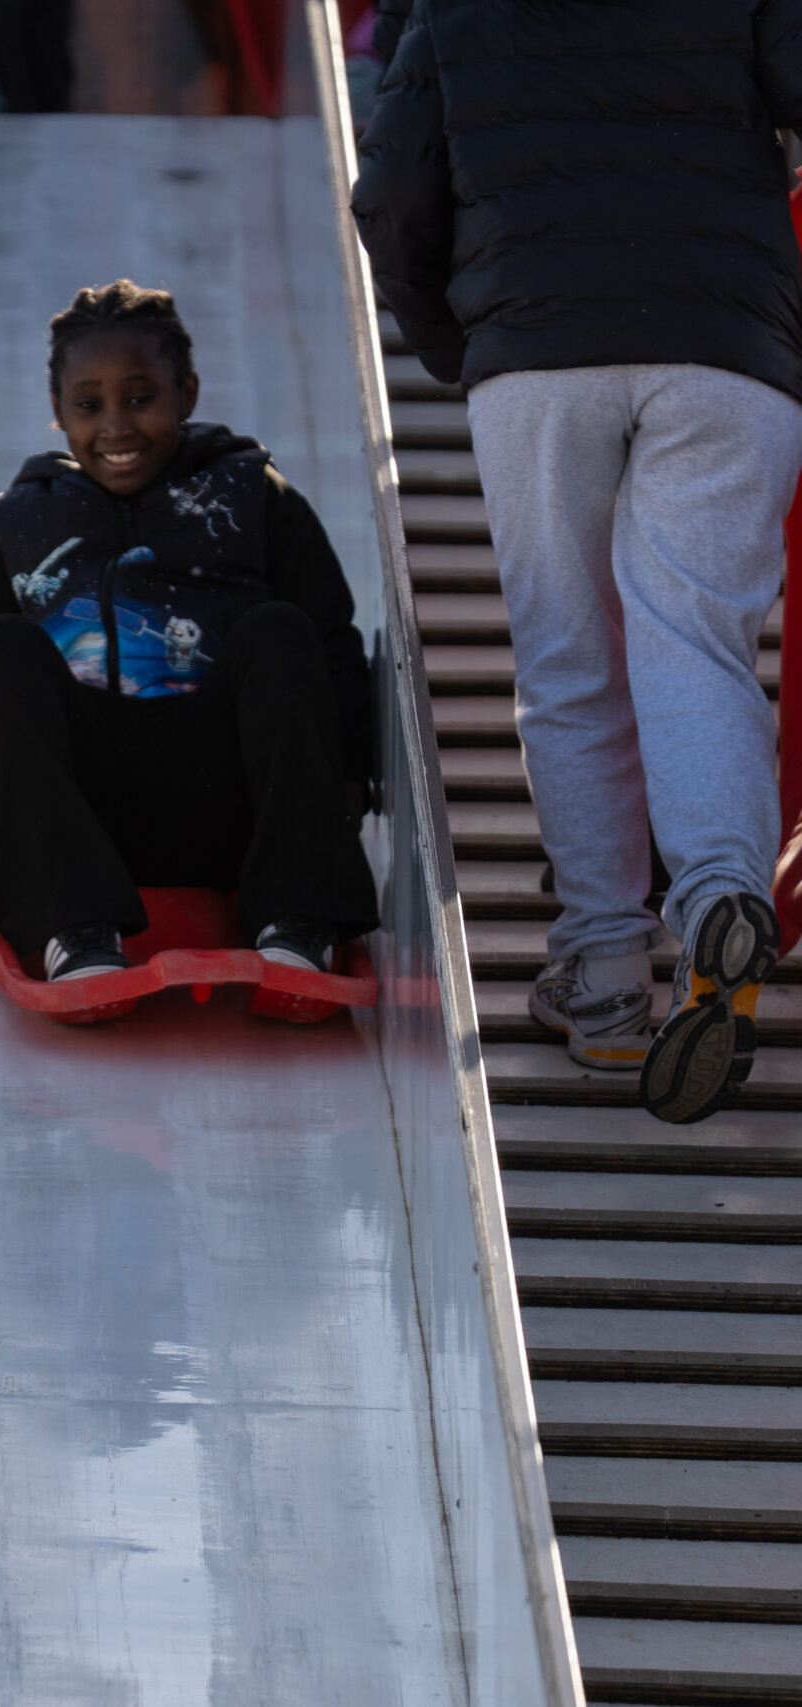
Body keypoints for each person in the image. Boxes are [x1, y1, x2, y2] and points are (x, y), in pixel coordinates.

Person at [352, 2, 802, 1123]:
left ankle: (604, 978)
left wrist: (461, 342)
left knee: (570, 658)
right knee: (695, 640)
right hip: (729, 346)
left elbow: (393, 194)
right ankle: (717, 897)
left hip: (537, 351)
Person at [0, 280, 379, 983]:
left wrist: (345, 774)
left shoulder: (253, 499)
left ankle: (297, 918)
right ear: (57, 410)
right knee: (0, 646)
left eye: (140, 399)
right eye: (88, 405)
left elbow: (333, 650)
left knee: (280, 630)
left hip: (237, 810)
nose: (116, 427)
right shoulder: (20, 526)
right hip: (80, 822)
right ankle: (77, 930)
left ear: (186, 393)